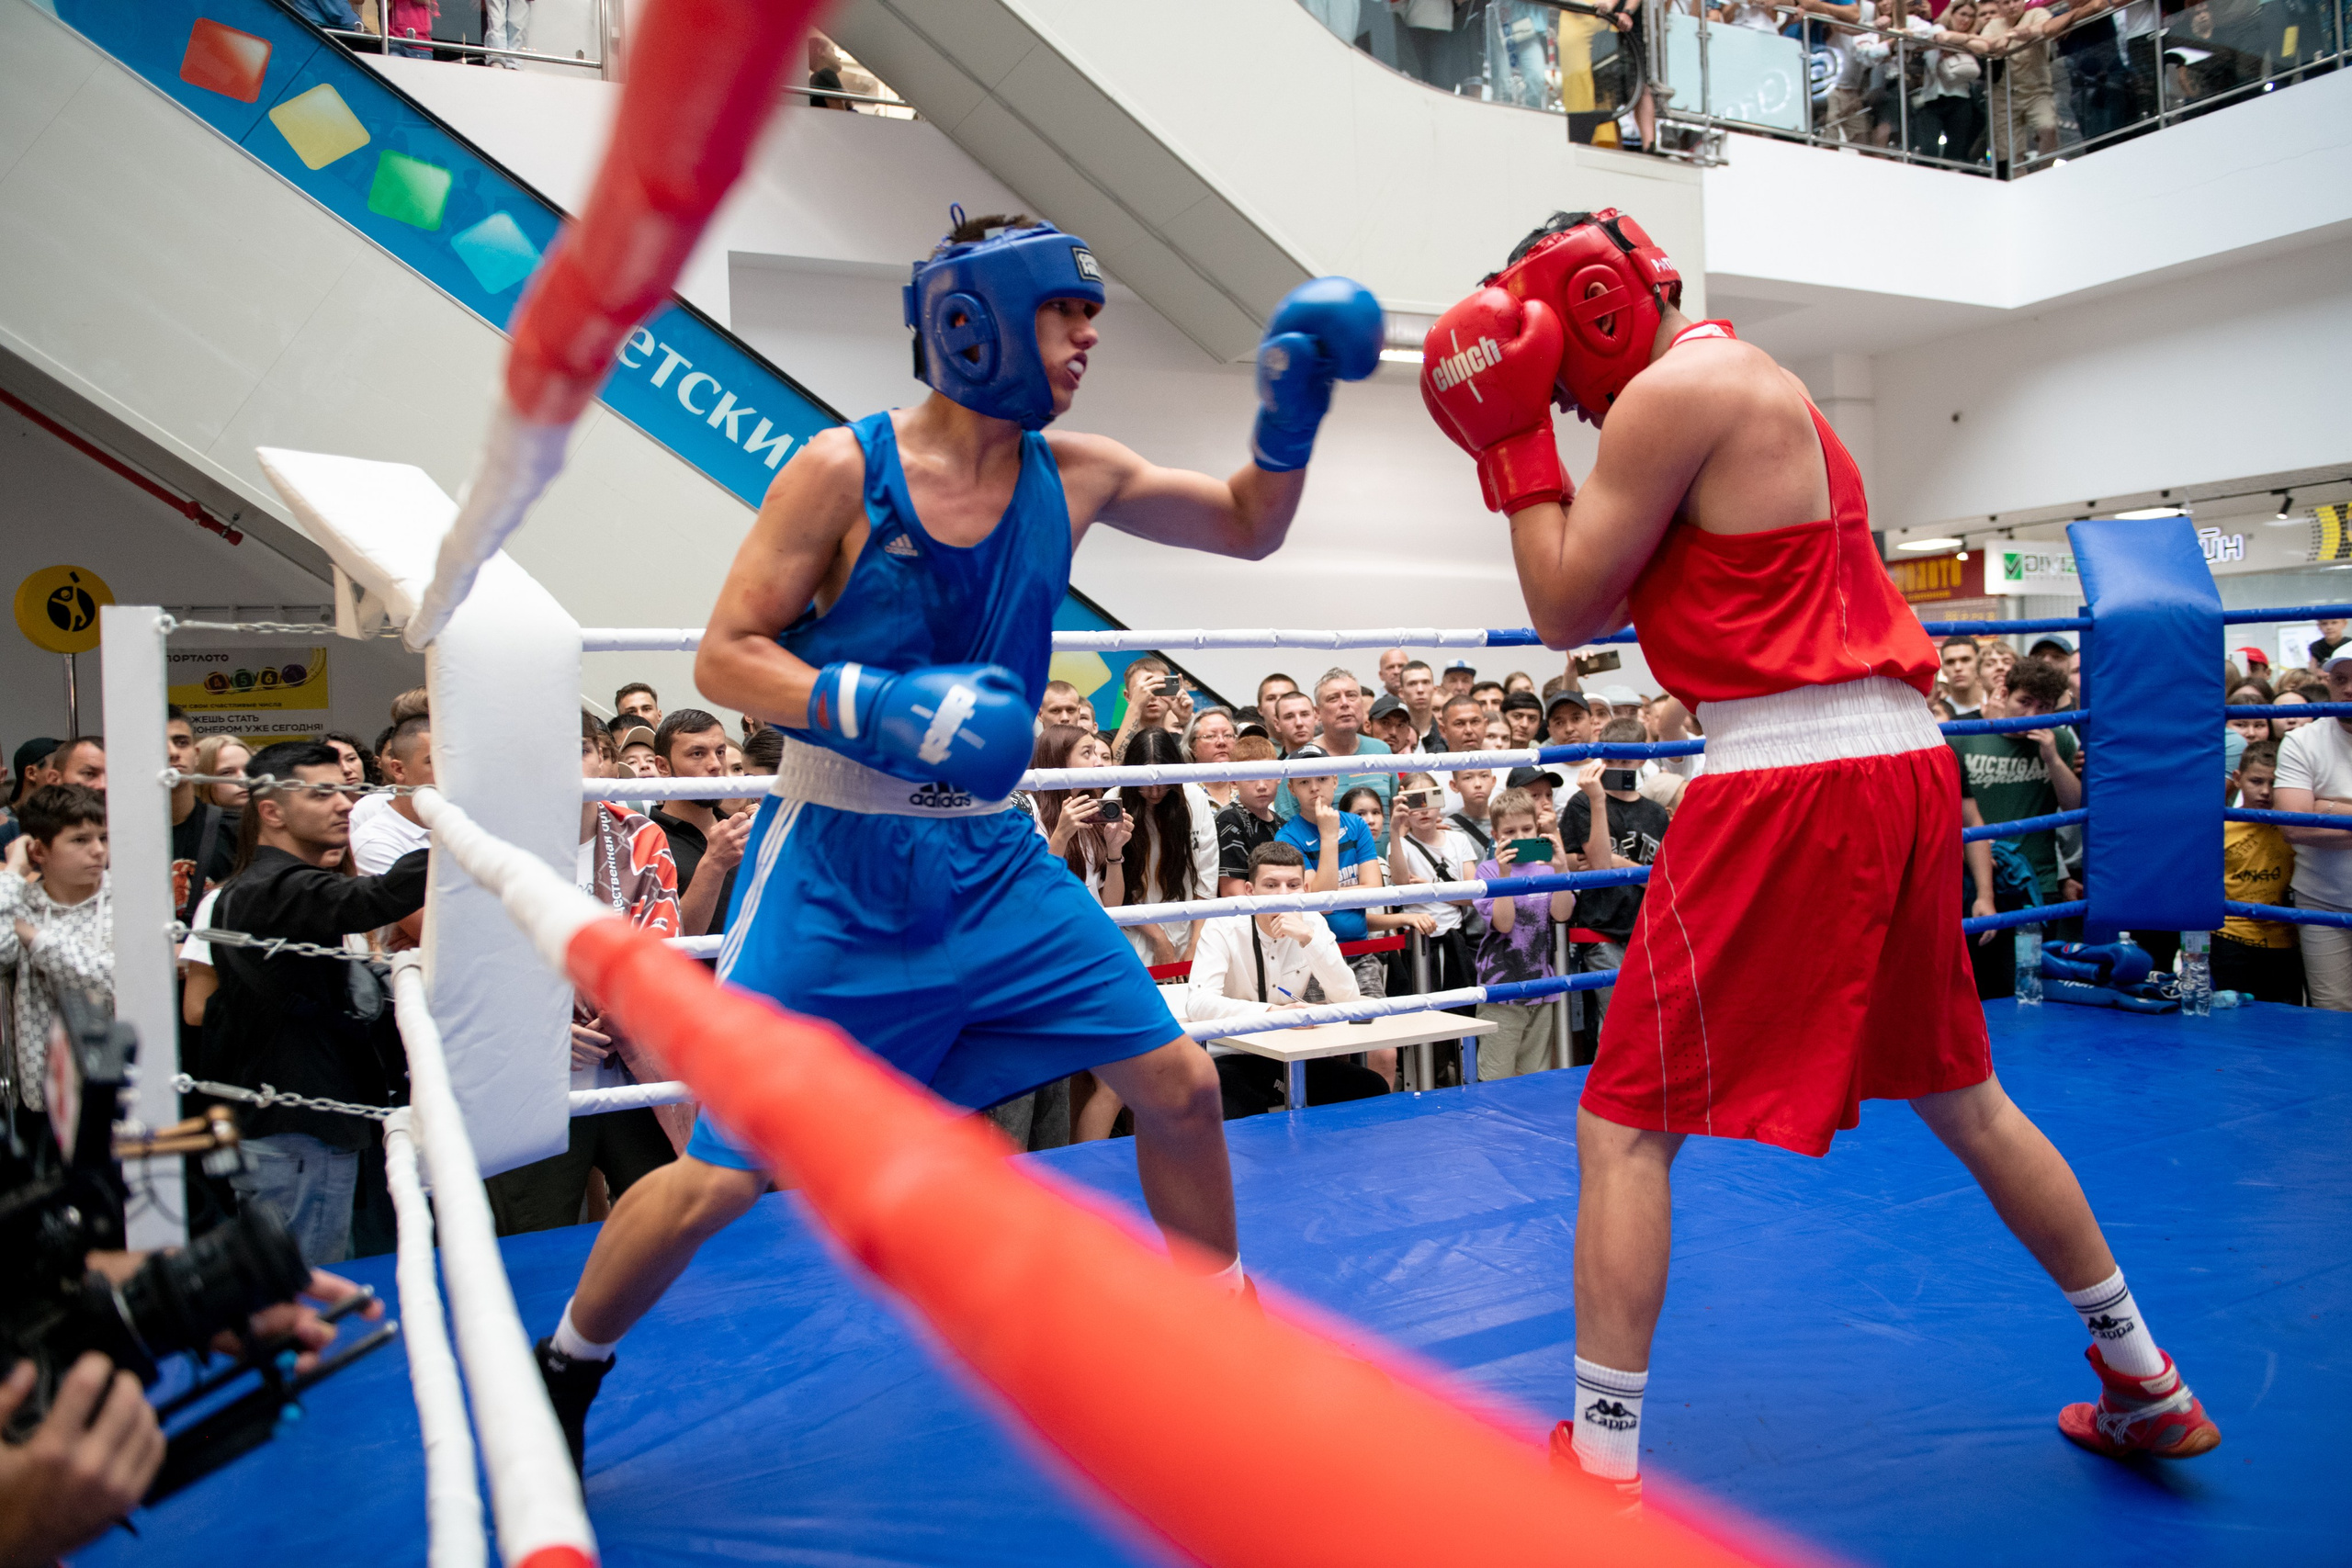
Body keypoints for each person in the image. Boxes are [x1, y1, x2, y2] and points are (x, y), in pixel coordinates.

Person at [532, 209, 1383, 1469]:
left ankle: (1224, 1333)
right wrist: (876, 702)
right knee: (723, 1173)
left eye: (1092, 314)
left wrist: (1291, 408)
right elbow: (724, 653)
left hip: (997, 867)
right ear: (976, 320)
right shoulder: (840, 470)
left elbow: (1250, 523)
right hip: (841, 874)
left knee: (1183, 1081)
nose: (1089, 336)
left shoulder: (1077, 470)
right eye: (1065, 312)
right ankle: (568, 1364)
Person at [1421, 207, 2219, 1486]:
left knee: (1625, 1122)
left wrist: (1506, 439)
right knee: (1964, 1092)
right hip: (1897, 761)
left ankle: (1602, 1467)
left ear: (1592, 301)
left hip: (1794, 773)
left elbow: (1564, 602)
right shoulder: (1757, 380)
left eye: (1555, 363)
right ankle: (2144, 1374)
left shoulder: (1676, 391)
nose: (1563, 397)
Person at [206, 741, 429, 1265]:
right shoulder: (271, 888)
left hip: (298, 1122)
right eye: (322, 793)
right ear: (271, 810)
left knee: (313, 1274)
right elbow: (375, 899)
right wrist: (453, 834)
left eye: (346, 790)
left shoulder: (264, 885)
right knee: (306, 1284)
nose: (346, 803)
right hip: (298, 1130)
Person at [486, 716, 685, 1235]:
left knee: (670, 1230)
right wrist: (540, 1024)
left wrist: (621, 1009)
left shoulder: (641, 834)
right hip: (534, 1080)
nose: (561, 765)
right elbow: (480, 961)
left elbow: (661, 939)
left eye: (575, 749)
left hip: (638, 1066)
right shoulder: (494, 843)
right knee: (532, 1238)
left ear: (601, 755)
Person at [1184, 840, 1385, 1115]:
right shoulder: (1223, 924)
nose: (1283, 895)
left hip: (1293, 1053)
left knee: (1370, 1087)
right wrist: (1273, 1013)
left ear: (1305, 888)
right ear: (1249, 891)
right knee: (1237, 1104)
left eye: (1292, 885)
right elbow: (1198, 1004)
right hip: (1235, 1055)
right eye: (1271, 885)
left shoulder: (1312, 923)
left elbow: (1348, 999)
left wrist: (1309, 940)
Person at [0, 785, 113, 1115]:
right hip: (42, 1101)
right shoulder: (19, 901)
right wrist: (13, 874)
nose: (98, 851)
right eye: (80, 840)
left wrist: (29, 934)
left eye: (103, 838)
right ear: (39, 851)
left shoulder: (127, 898)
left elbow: (109, 980)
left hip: (120, 1090)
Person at [1559, 721, 1673, 1034]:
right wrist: (1597, 800)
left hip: (1646, 931)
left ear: (1640, 761)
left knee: (1649, 1023)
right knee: (1619, 1025)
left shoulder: (1655, 813)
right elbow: (1598, 867)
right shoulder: (1584, 802)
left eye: (1625, 761)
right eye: (1610, 761)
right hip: (1602, 929)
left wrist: (1617, 863)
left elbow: (1662, 878)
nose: (1616, 768)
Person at [1951, 658, 2082, 908]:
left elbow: (2075, 810)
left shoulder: (2061, 741)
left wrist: (2053, 759)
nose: (2031, 715)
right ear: (2004, 694)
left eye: (2043, 707)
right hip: (1975, 875)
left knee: (2035, 948)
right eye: (2024, 702)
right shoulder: (1966, 737)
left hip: (2039, 879)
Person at [1469, 786, 1573, 1080]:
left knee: (1536, 1076)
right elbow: (1503, 924)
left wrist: (1561, 866)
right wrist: (1504, 874)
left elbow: (1562, 914)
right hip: (1501, 988)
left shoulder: (1547, 868)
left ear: (1537, 827)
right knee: (1495, 1076)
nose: (1520, 837)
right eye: (1510, 831)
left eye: (1527, 828)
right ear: (1495, 834)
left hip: (1541, 985)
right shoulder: (1488, 872)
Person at [2273, 648, 2352, 1010]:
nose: (2349, 689)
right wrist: (2310, 814)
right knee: (2331, 1013)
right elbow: (2294, 825)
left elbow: (2307, 818)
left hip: (2322, 894)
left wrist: (2326, 807)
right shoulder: (2303, 740)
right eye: (2340, 680)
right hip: (2323, 900)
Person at [1108, 728, 1221, 972]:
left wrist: (1195, 942)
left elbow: (1207, 878)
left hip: (1189, 924)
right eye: (1144, 784)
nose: (1155, 792)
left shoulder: (1193, 798)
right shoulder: (1115, 802)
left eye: (1163, 783)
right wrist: (1158, 937)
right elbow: (1114, 888)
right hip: (1133, 929)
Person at [647, 709, 753, 939]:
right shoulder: (646, 840)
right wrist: (714, 863)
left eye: (720, 752)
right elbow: (669, 941)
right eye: (697, 754)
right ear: (663, 766)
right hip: (691, 974)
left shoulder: (742, 828)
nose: (715, 764)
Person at [2214, 739, 2301, 1004]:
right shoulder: (2220, 825)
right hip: (2229, 936)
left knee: (2285, 1022)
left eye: (2274, 783)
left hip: (2284, 940)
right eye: (2256, 781)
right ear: (2238, 779)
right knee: (2231, 1019)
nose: (2265, 791)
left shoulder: (2297, 828)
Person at [1274, 669, 1396, 822]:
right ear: (1317, 713)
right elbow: (1288, 827)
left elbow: (1397, 815)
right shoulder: (1297, 761)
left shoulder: (1382, 750)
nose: (1344, 703)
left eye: (1351, 695)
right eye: (1333, 698)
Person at [167, 707, 238, 927]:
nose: (172, 752)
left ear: (196, 755)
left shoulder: (235, 830)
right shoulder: (111, 836)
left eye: (181, 742)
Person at [1215, 734, 1286, 897]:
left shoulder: (1282, 823)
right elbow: (1232, 893)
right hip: (1248, 918)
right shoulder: (1228, 820)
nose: (1261, 786)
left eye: (1267, 774)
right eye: (1250, 777)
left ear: (1279, 777)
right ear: (1233, 782)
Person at [1183, 705, 1241, 809]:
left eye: (1227, 735)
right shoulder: (1184, 793)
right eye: (1211, 736)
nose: (1221, 742)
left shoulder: (1247, 789)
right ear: (1193, 747)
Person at [1939, 636, 1991, 719]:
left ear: (1979, 664)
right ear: (1943, 669)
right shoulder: (1938, 711)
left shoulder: (1996, 705)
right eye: (1950, 662)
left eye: (1965, 660)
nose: (1958, 668)